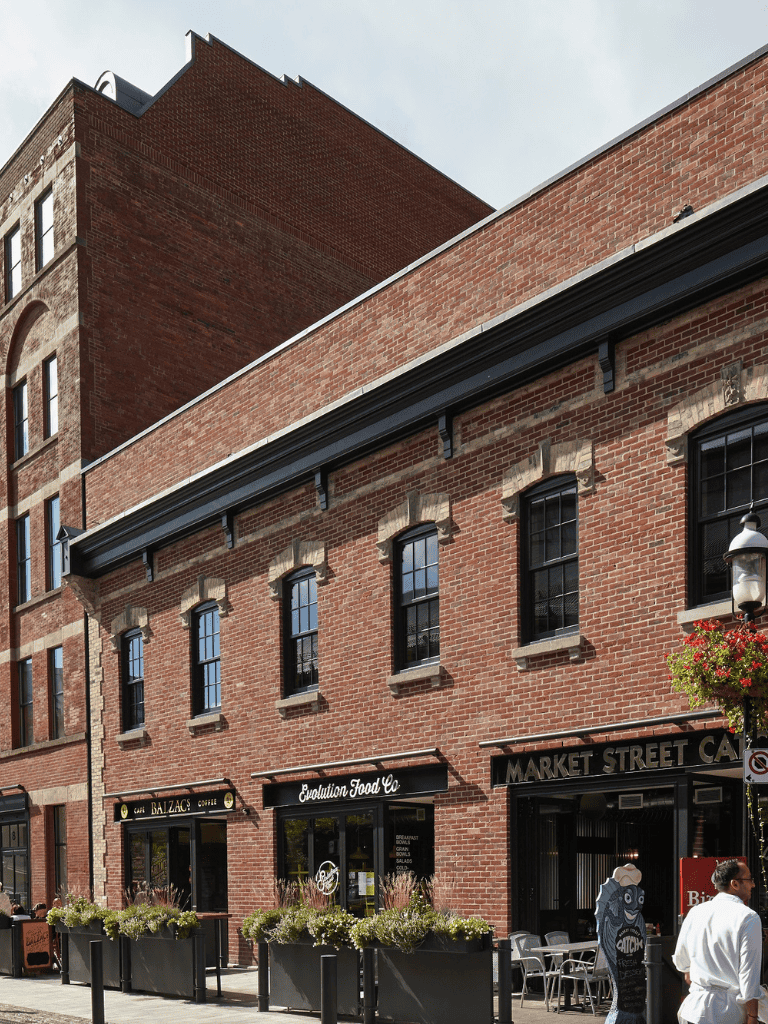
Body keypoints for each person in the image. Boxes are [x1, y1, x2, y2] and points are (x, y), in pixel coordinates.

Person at [673, 859, 762, 1024]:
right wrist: (753, 1016)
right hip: (727, 1014)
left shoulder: (696, 912)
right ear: (734, 884)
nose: (753, 885)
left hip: (693, 1011)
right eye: (749, 879)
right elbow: (749, 976)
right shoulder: (748, 917)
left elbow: (683, 963)